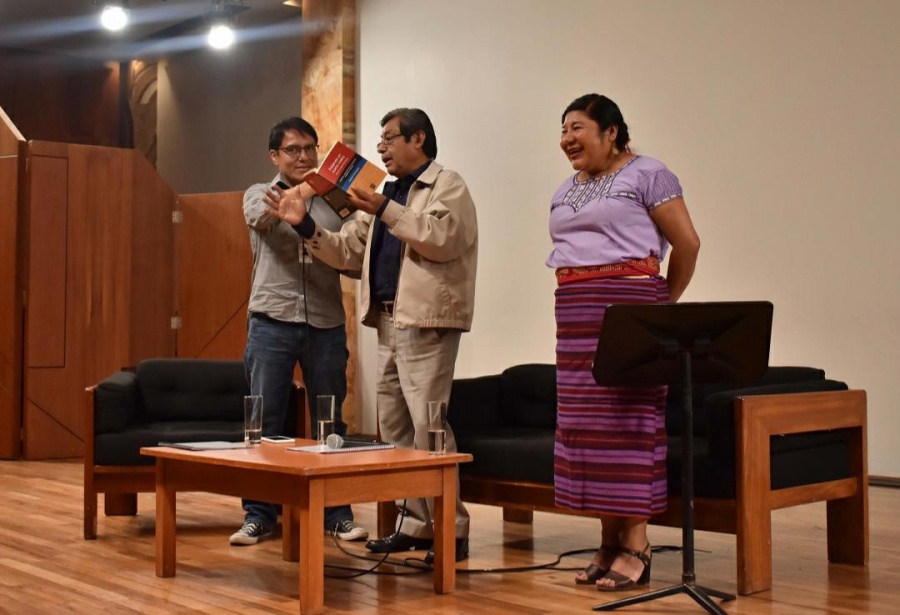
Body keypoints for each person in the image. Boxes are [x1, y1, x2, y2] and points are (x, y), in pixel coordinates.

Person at [266, 108, 477, 564]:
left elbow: (442, 238)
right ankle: (417, 524)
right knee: (397, 429)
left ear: (418, 139)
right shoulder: (385, 192)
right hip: (385, 321)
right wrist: (304, 224)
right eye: (379, 140)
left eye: (388, 139)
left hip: (427, 321)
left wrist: (385, 207)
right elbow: (347, 250)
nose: (379, 148)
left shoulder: (447, 185)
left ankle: (451, 530)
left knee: (430, 425)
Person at [548, 94, 700, 591]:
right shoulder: (570, 186)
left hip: (630, 308)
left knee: (628, 424)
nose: (567, 137)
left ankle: (637, 543)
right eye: (563, 129)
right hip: (575, 315)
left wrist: (662, 304)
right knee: (587, 429)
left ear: (611, 131)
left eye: (578, 127)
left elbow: (688, 243)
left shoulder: (649, 174)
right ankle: (608, 540)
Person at [229, 116, 368, 546]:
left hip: (325, 322)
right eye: (294, 150)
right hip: (271, 320)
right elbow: (263, 218)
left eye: (312, 149)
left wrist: (332, 189)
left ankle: (337, 513)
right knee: (264, 419)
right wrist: (315, 183)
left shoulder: (336, 201)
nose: (305, 157)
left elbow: (353, 256)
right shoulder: (259, 192)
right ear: (275, 156)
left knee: (331, 420)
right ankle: (259, 514)